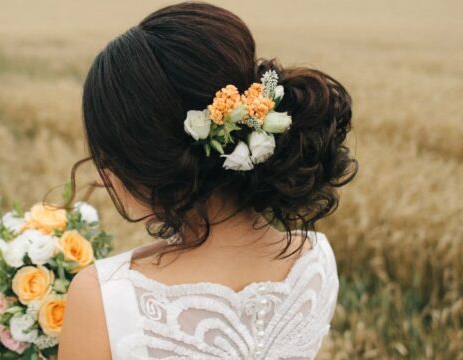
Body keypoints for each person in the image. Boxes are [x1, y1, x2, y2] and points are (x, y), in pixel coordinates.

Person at [58, 1, 357, 359]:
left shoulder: (103, 297)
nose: (103, 176)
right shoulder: (316, 263)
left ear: (144, 156)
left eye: (107, 155)